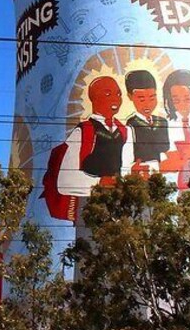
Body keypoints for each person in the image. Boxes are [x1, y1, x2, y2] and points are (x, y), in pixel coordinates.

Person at [42, 77, 134, 221]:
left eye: (118, 94)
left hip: (118, 207)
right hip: (89, 208)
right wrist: (99, 183)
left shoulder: (125, 131)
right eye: (108, 94)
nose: (115, 99)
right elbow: (64, 181)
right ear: (94, 98)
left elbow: (127, 169)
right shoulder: (83, 131)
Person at [125, 70, 170, 168]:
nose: (147, 104)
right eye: (141, 99)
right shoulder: (131, 125)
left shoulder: (163, 122)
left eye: (152, 98)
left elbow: (167, 150)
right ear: (130, 97)